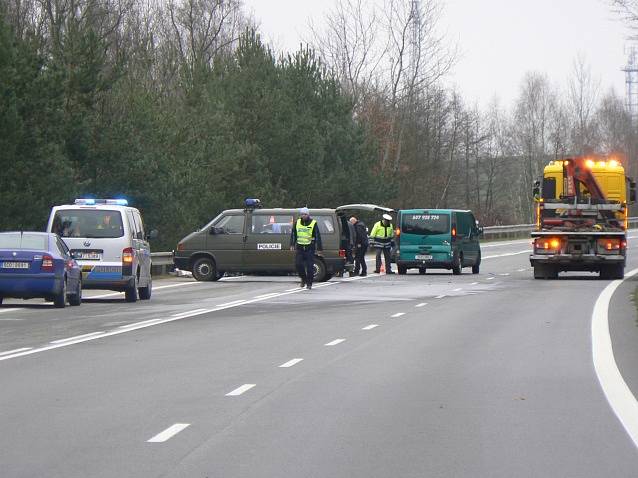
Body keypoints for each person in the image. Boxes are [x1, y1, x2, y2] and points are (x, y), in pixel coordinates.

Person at [290, 207, 323, 290]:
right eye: (302, 214)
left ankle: (309, 283)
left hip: (309, 248)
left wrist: (319, 248)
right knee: (298, 265)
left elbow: (317, 235)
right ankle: (303, 279)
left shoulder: (313, 223)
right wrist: (292, 244)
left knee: (309, 267)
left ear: (308, 215)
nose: (303, 216)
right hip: (300, 247)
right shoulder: (297, 222)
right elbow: (294, 234)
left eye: (305, 214)